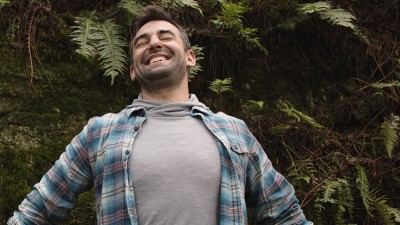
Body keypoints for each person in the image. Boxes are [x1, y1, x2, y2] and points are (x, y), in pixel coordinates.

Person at [8, 5, 313, 225]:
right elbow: (37, 210)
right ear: (132, 70)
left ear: (190, 57)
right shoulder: (100, 132)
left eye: (165, 36)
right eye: (142, 42)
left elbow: (285, 213)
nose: (154, 42)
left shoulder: (234, 131)